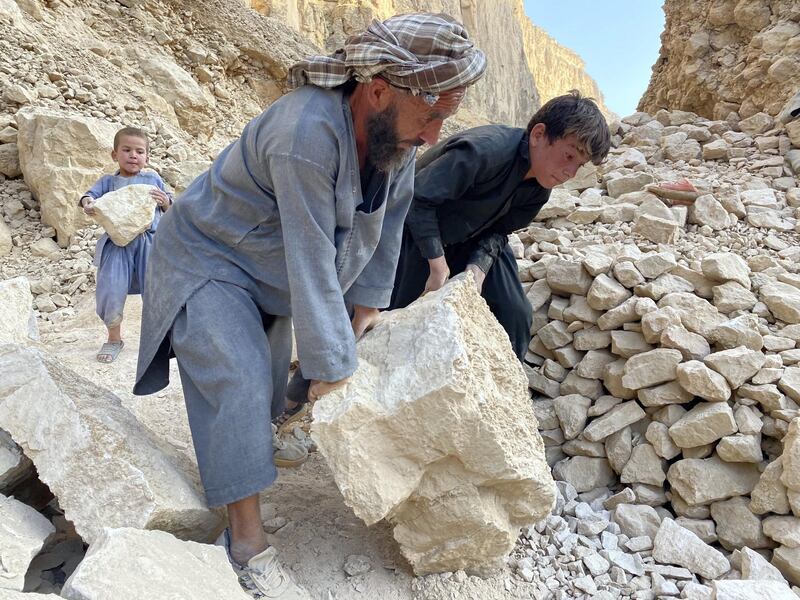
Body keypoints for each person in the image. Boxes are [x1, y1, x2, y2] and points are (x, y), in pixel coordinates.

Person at [133, 13, 486, 599]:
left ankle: (274, 422)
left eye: (443, 122)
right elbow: (310, 254)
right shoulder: (306, 135)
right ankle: (245, 542)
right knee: (238, 377)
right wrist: (329, 362)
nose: (432, 137)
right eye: (430, 118)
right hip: (211, 255)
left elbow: (392, 214)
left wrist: (369, 300)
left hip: (266, 264)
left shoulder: (391, 134)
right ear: (379, 90)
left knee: (274, 389)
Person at [389, 90, 611, 361]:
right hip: (416, 230)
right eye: (569, 156)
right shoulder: (482, 151)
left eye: (580, 165)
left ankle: (505, 385)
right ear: (539, 135)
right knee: (402, 310)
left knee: (514, 313)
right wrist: (437, 262)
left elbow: (499, 230)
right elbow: (416, 200)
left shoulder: (540, 187)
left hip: (472, 237)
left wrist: (478, 270)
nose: (571, 173)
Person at [79, 127, 172, 363]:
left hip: (149, 243)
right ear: (114, 154)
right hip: (117, 244)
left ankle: (161, 340)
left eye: (139, 151)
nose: (133, 155)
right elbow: (88, 197)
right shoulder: (108, 181)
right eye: (127, 150)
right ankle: (113, 339)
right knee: (110, 289)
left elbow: (171, 205)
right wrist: (88, 203)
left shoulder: (153, 179)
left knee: (156, 291)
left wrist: (166, 201)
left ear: (147, 158)